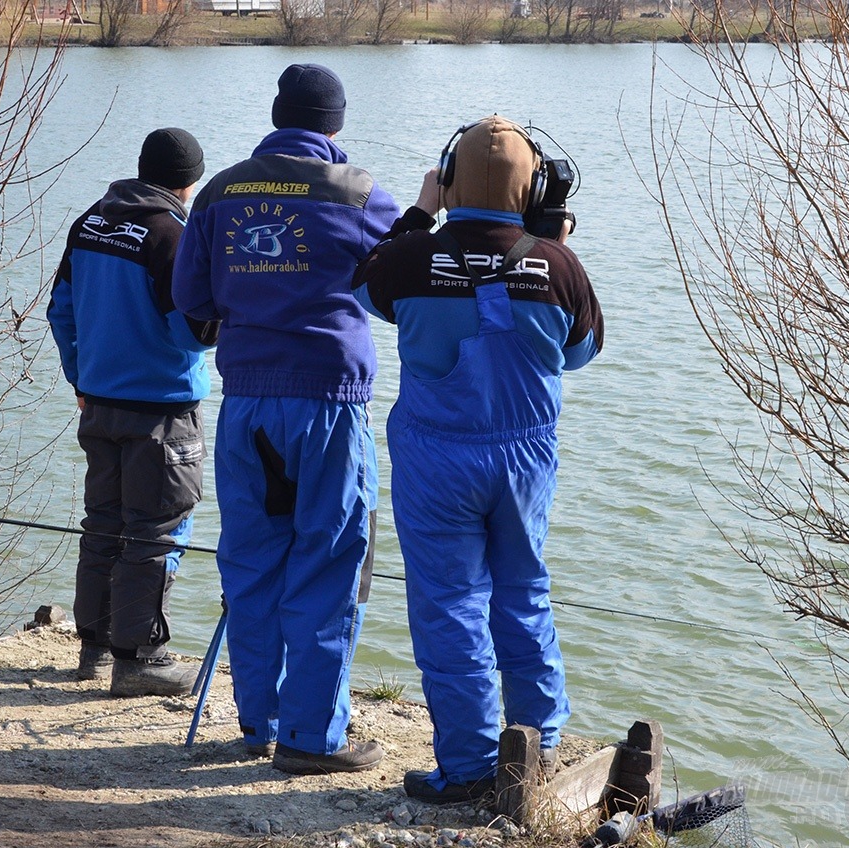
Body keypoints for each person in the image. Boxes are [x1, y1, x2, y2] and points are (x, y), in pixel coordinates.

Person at [352, 116, 603, 803]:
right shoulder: (557, 265)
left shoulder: (410, 257)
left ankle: (466, 768)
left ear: (450, 176)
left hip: (437, 460)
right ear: (536, 187)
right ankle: (537, 753)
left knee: (450, 606)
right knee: (524, 594)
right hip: (524, 461)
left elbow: (361, 281)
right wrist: (548, 245)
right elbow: (580, 354)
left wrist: (420, 212)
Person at [172, 64, 400, 774]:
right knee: (329, 563)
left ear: (278, 115)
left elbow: (192, 302)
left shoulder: (218, 191)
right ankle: (310, 737)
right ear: (333, 124)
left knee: (252, 561)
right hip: (329, 403)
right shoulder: (361, 193)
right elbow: (402, 289)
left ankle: (256, 725)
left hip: (245, 405)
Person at [47, 127, 218, 697]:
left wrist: (81, 377)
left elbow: (60, 310)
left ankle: (93, 648)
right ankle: (141, 657)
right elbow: (192, 333)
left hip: (99, 405)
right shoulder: (172, 235)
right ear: (189, 183)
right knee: (155, 532)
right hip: (162, 411)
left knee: (103, 524)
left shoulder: (90, 221)